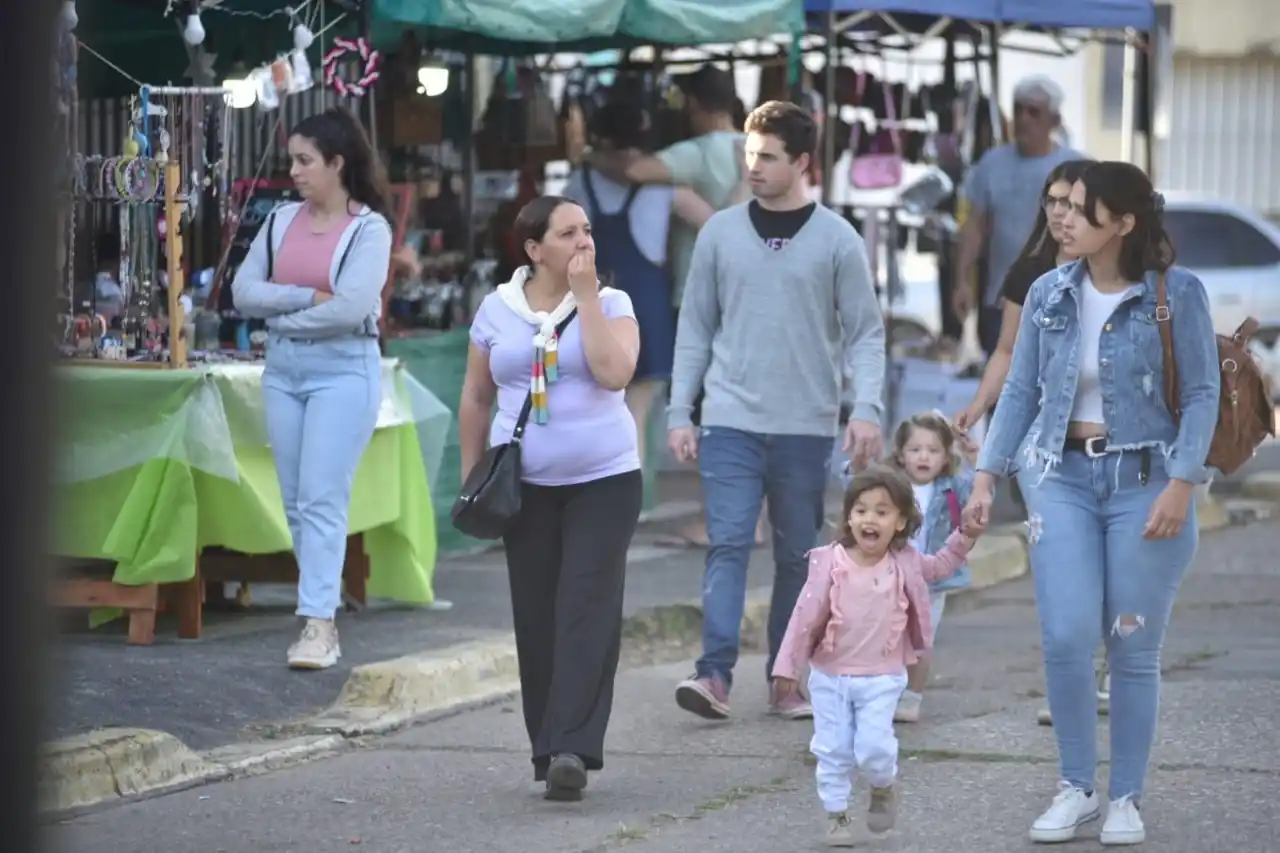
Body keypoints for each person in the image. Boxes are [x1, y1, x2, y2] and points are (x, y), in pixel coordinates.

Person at [963, 162, 1220, 846]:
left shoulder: (1177, 293)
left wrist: (1182, 480)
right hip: (1059, 478)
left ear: (1124, 224)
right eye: (1063, 205)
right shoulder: (1049, 290)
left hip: (1147, 480)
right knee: (1068, 635)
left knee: (1132, 644)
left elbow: (1201, 394)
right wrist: (988, 474)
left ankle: (1125, 797)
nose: (1064, 219)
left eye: (1082, 211)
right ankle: (1076, 785)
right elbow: (1020, 392)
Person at [665, 100, 886, 722]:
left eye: (767, 157)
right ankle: (713, 675)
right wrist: (682, 411)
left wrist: (864, 407)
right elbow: (695, 328)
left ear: (802, 163)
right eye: (749, 156)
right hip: (730, 416)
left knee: (797, 554)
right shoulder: (719, 233)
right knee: (728, 544)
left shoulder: (838, 240)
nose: (754, 167)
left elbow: (866, 333)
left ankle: (786, 677)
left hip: (805, 421)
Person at [457, 195, 642, 802]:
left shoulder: (612, 303)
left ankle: (572, 747)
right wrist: (472, 477)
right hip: (526, 487)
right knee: (537, 615)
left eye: (588, 229)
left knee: (585, 606)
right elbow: (476, 398)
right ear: (535, 250)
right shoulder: (495, 310)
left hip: (605, 481)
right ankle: (547, 748)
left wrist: (585, 298)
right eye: (569, 233)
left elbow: (615, 373)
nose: (584, 241)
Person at [230, 107, 392, 670]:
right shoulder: (279, 220)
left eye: (304, 160)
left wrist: (280, 317)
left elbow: (351, 309)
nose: (293, 171)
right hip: (284, 371)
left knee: (323, 496)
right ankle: (318, 609)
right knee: (298, 500)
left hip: (344, 369)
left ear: (337, 163)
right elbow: (243, 290)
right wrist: (303, 300)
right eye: (291, 160)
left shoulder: (369, 228)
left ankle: (318, 625)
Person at [951, 158, 1107, 727]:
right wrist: (979, 407)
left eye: (1073, 202)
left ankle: (1110, 663)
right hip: (1042, 447)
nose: (1062, 213)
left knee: (1109, 566)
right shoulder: (1032, 275)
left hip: (1110, 447)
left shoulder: (1115, 274)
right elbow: (1007, 352)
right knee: (1062, 565)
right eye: (1054, 202)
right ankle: (1069, 684)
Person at [584, 64, 762, 549]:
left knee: (711, 410)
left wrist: (588, 155)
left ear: (696, 105)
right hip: (750, 293)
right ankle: (752, 518)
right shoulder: (752, 153)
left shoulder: (695, 154)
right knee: (742, 406)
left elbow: (636, 171)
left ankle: (718, 520)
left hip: (703, 294)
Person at [773, 466, 985, 848]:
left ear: (900, 520)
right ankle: (837, 814)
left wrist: (965, 535)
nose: (869, 519)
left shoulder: (904, 560)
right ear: (849, 516)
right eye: (861, 510)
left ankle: (883, 784)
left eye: (882, 512)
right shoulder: (830, 562)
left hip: (882, 676)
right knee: (832, 748)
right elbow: (803, 618)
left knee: (873, 747)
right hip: (830, 676)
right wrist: (787, 667)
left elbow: (939, 567)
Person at [564, 100, 714, 473]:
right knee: (636, 410)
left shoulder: (579, 182)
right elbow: (714, 223)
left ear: (600, 136)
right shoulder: (664, 188)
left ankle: (594, 493)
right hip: (646, 305)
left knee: (591, 408)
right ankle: (631, 500)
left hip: (594, 302)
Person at [951, 75, 1089, 357]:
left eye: (1034, 112)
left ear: (1054, 120)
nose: (1024, 119)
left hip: (1061, 298)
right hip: (1001, 299)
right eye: (1018, 109)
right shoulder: (992, 164)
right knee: (1004, 386)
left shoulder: (1078, 168)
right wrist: (962, 280)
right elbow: (974, 227)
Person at [880, 412, 979, 724]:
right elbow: (857, 488)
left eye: (933, 450)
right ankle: (884, 692)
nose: (924, 457)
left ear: (945, 456)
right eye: (915, 449)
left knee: (921, 640)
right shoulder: (891, 485)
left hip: (932, 581)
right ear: (900, 454)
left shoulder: (952, 487)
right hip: (890, 577)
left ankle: (912, 696)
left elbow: (979, 495)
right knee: (887, 636)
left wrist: (975, 458)